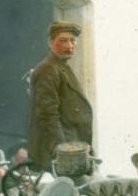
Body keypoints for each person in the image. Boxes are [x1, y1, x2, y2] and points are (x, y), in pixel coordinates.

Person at [27, 21, 93, 169]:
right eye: (63, 41)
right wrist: (62, 149)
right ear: (51, 43)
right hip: (59, 152)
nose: (69, 46)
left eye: (72, 40)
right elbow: (47, 113)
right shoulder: (48, 69)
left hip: (72, 146)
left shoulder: (61, 67)